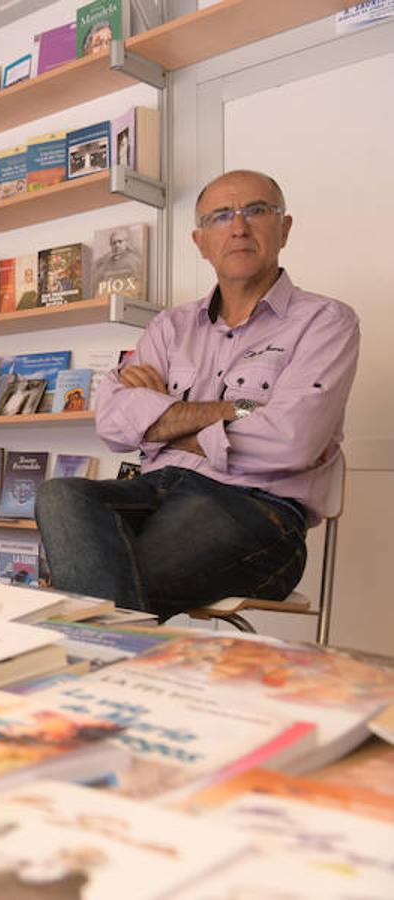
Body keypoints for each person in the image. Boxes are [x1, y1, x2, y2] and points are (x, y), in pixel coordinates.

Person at [35, 170, 359, 618]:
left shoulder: (326, 321)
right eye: (221, 216)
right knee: (60, 496)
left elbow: (293, 440)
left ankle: (100, 655)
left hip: (257, 511)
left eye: (257, 211)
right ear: (200, 240)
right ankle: (126, 664)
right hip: (153, 491)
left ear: (284, 228)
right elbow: (112, 422)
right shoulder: (170, 327)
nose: (239, 227)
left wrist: (162, 425)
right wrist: (236, 411)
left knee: (99, 580)